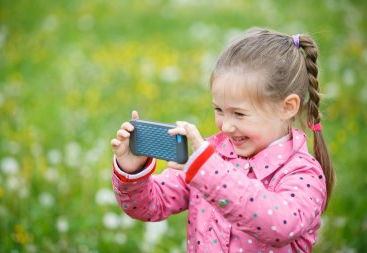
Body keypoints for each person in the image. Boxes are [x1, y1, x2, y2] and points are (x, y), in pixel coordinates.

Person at [110, 27, 336, 253]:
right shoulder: (213, 154)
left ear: (287, 107)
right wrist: (132, 170)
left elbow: (280, 226)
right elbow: (151, 206)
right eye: (219, 109)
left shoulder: (301, 172)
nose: (226, 127)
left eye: (239, 114)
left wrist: (208, 171)